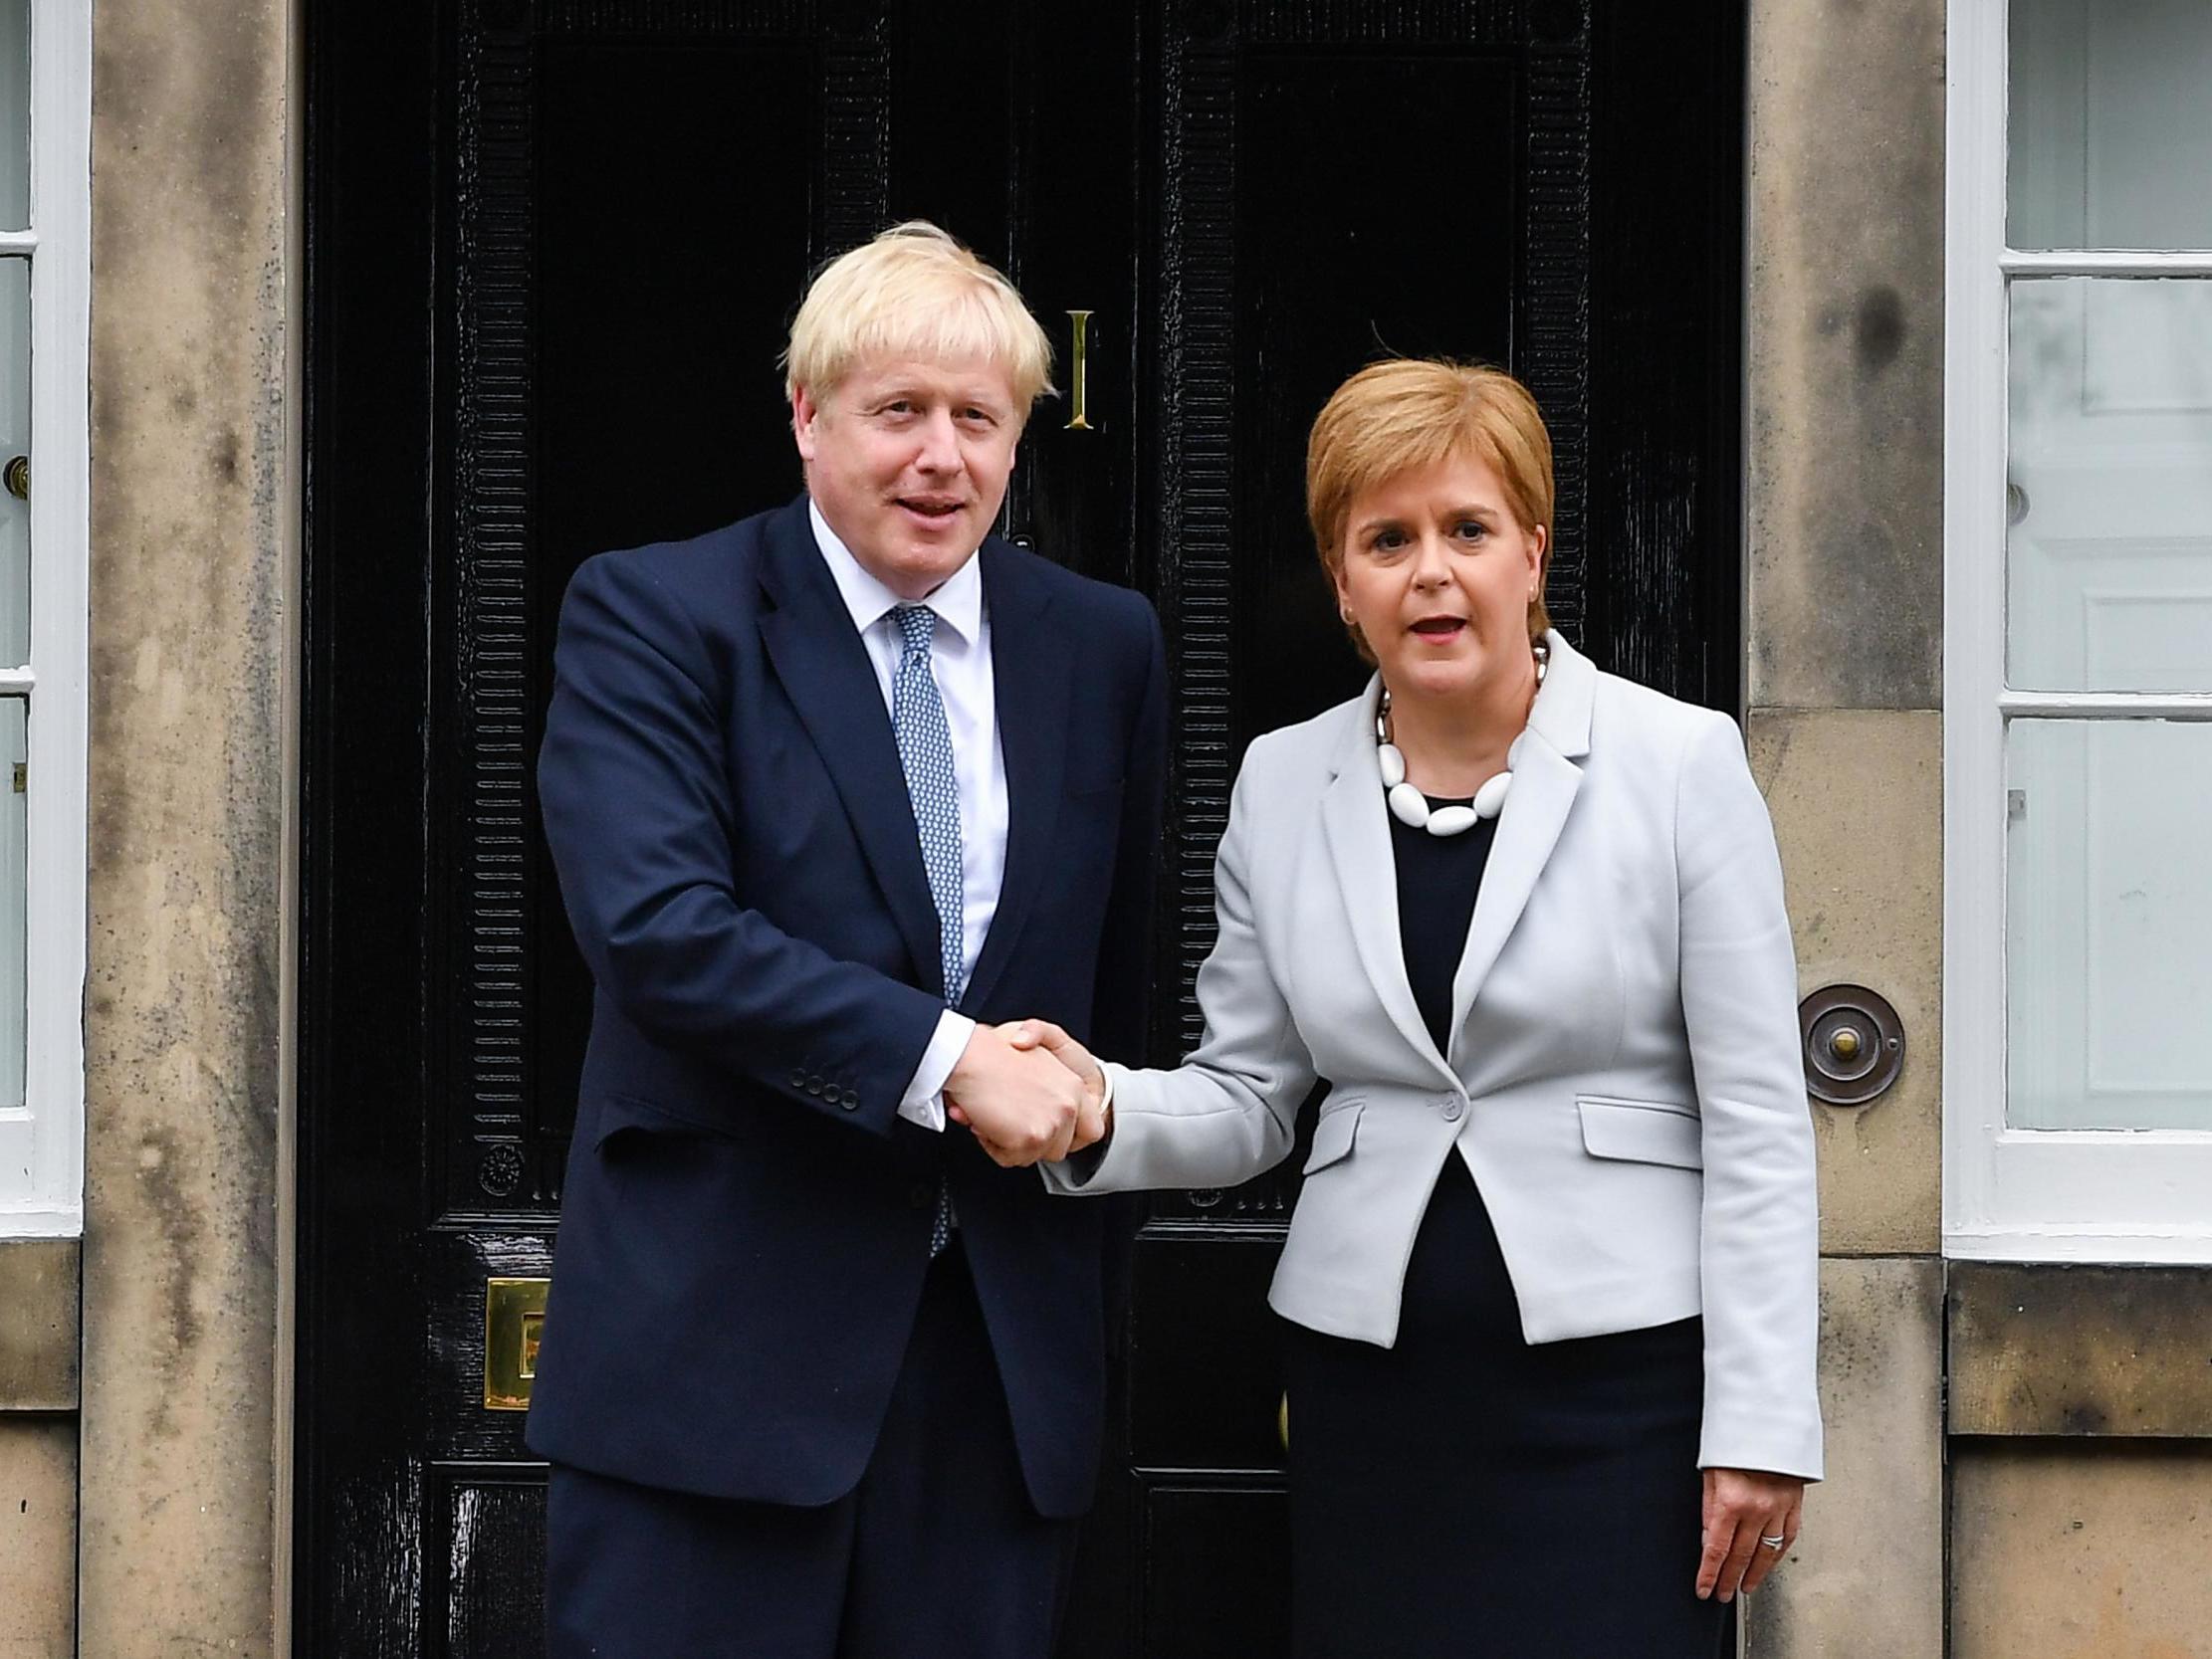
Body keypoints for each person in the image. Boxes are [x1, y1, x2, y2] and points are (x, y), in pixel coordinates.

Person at [1014, 359, 1822, 1656]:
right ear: (1341, 583)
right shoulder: (1282, 784)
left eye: (1467, 529)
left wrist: (1762, 1424)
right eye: (1385, 540)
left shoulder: (1677, 762)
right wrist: (1089, 1110)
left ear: (1530, 557)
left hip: (1624, 1400)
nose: (1429, 571)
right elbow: (1247, 1099)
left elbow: (1757, 1121)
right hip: (1371, 1398)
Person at [527, 221, 1168, 1658]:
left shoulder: (1100, 644)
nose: (939, 458)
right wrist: (947, 1063)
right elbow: (657, 929)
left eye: (977, 419)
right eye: (897, 412)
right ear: (807, 416)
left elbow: (1112, 985)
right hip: (717, 1366)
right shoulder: (657, 611)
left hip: (998, 1379)